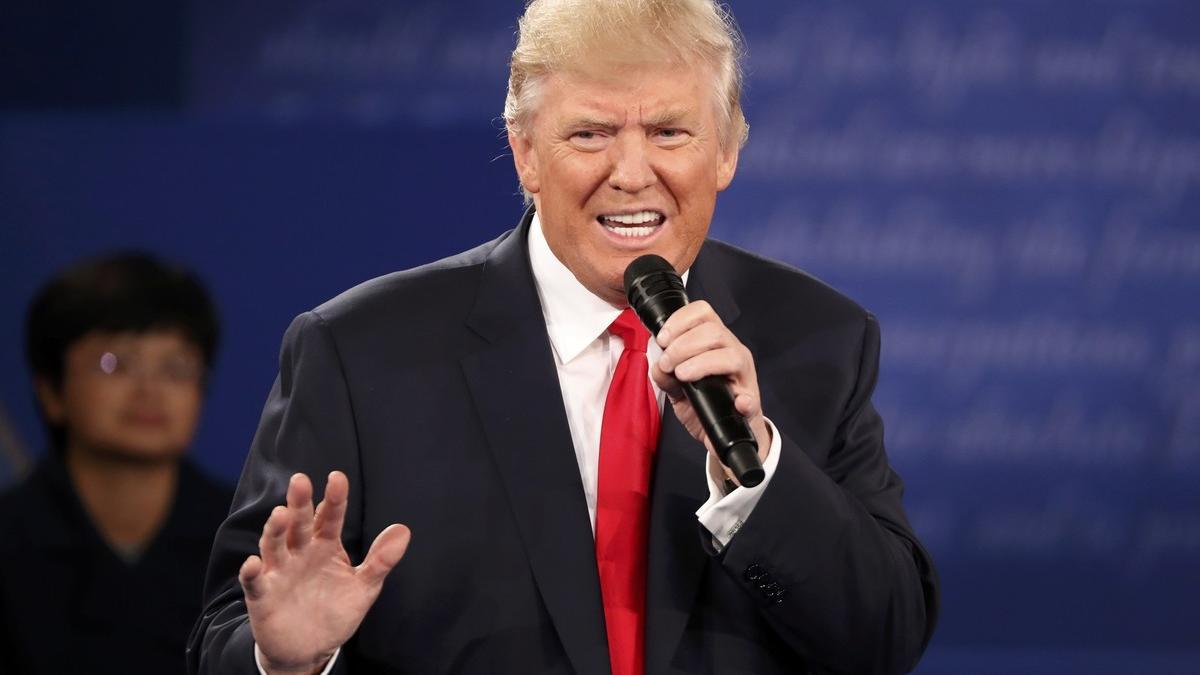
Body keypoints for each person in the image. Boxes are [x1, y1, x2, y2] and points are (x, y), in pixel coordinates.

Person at [189, 1, 940, 673]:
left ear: (725, 151)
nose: (632, 172)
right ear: (525, 154)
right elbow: (227, 630)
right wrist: (285, 662)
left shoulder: (819, 340)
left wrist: (761, 471)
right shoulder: (360, 352)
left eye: (670, 132)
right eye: (592, 133)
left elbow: (884, 639)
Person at [0, 253, 233, 674]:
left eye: (176, 367)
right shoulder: (11, 536)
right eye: (115, 364)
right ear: (51, 390)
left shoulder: (247, 539)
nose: (150, 390)